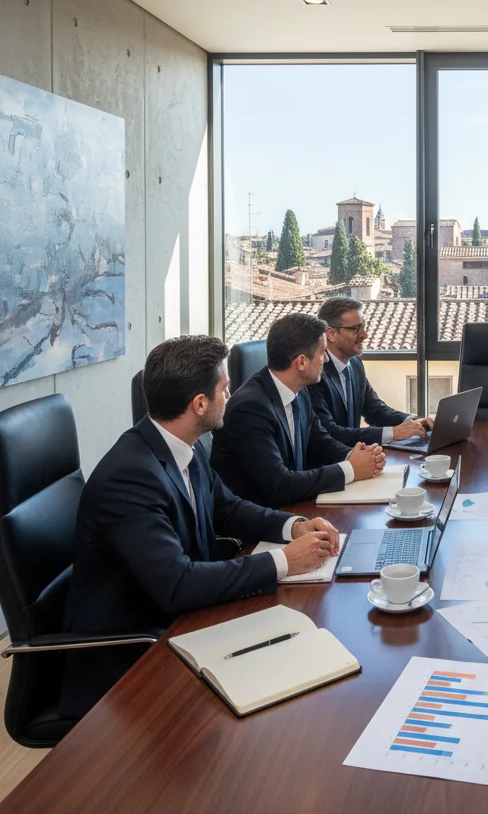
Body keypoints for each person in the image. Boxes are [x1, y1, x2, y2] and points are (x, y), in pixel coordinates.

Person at [60, 335, 342, 718]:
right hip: (132, 657)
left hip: (184, 623)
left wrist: (294, 526)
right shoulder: (129, 476)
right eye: (225, 388)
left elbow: (228, 508)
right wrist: (284, 563)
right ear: (199, 404)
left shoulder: (182, 446)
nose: (232, 395)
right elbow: (177, 585)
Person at [211, 313, 385, 507]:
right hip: (262, 524)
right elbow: (280, 484)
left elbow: (320, 441)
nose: (326, 360)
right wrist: (350, 469)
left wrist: (357, 456)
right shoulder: (249, 409)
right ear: (301, 362)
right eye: (322, 353)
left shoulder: (299, 391)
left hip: (296, 508)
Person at [308, 297, 433, 446]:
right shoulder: (314, 374)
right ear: (331, 334)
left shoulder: (355, 364)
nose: (365, 335)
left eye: (364, 327)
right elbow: (331, 432)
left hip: (358, 457)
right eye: (356, 329)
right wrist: (393, 433)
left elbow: (375, 410)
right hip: (331, 463)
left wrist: (413, 421)